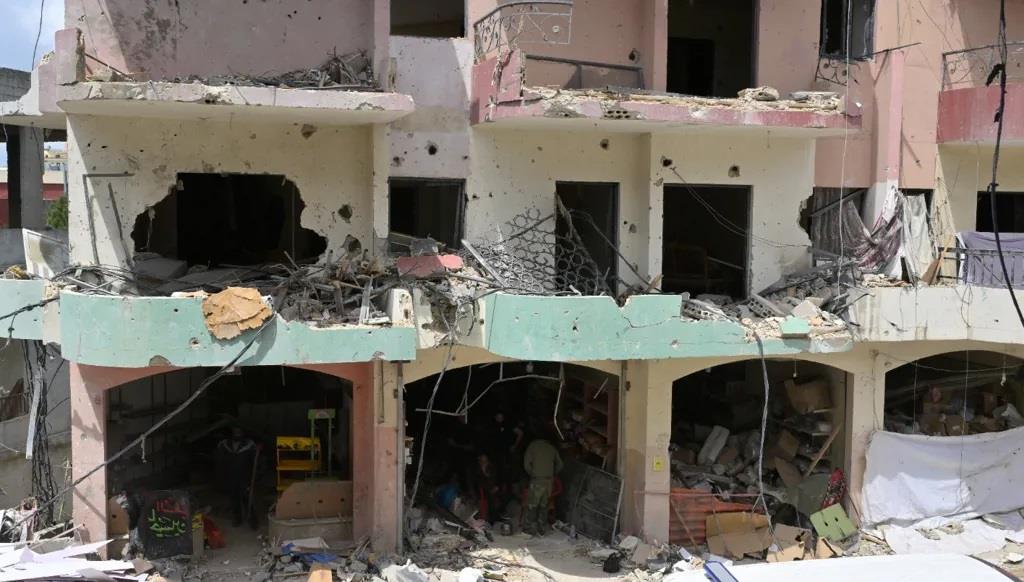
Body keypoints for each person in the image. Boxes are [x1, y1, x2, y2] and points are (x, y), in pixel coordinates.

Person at [215, 427, 258, 528]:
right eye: (235, 432)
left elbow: (254, 462)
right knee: (234, 499)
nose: (237, 434)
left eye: (239, 432)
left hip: (244, 477)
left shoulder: (249, 445)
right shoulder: (225, 445)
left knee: (247, 499)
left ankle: (252, 520)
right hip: (231, 476)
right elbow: (221, 462)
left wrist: (254, 477)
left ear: (242, 433)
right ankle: (237, 519)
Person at [522, 434, 563, 535]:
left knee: (532, 505)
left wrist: (533, 473)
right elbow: (560, 465)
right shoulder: (551, 448)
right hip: (548, 482)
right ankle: (541, 529)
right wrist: (552, 473)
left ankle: (528, 528)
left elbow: (526, 464)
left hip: (537, 480)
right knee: (544, 506)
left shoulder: (532, 446)